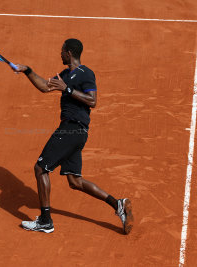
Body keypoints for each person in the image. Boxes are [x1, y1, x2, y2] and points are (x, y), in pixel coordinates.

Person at [13, 38, 133, 234]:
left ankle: (45, 220)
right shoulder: (64, 75)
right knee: (75, 181)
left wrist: (67, 89)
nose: (59, 54)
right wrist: (27, 70)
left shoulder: (86, 73)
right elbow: (45, 86)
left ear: (69, 53)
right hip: (76, 132)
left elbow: (92, 100)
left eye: (62, 51)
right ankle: (117, 204)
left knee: (41, 169)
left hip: (71, 129)